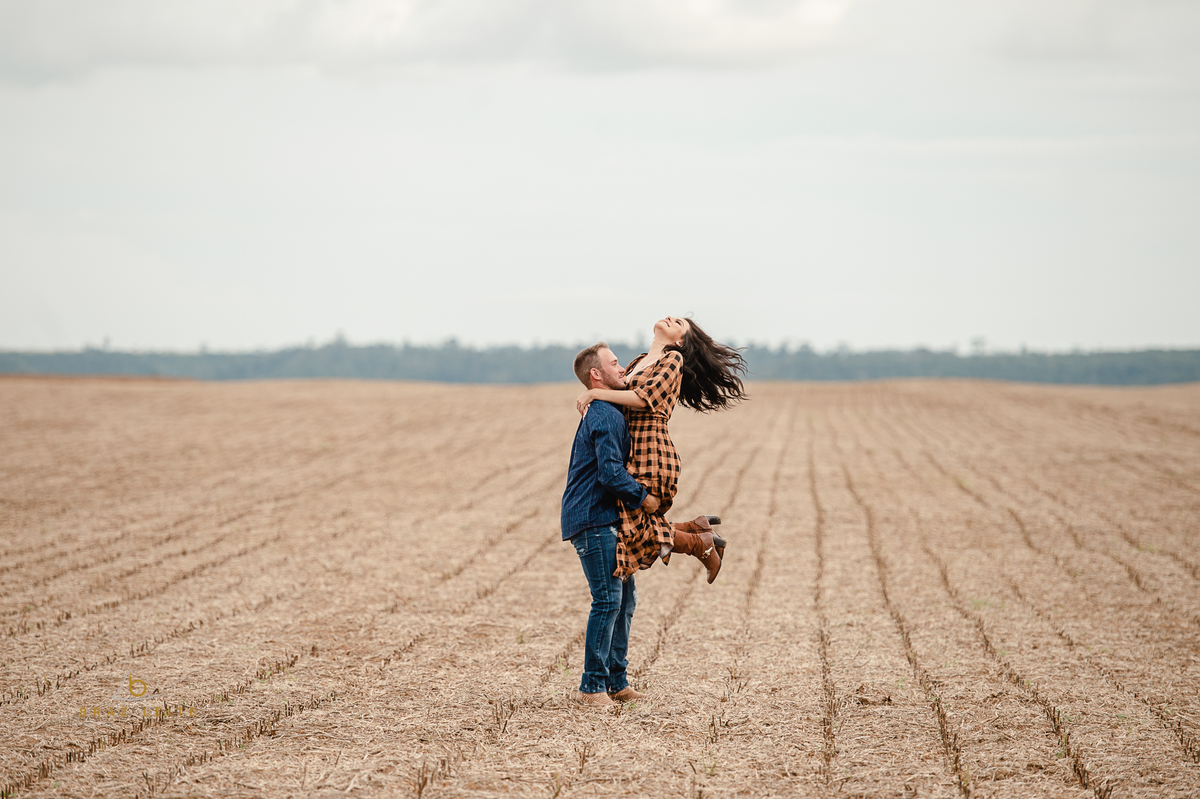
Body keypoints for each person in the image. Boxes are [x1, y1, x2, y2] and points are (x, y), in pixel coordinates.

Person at [576, 316, 747, 583]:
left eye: (679, 323)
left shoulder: (673, 360)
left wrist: (595, 394)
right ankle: (695, 531)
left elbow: (645, 399)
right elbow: (616, 391)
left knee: (633, 525)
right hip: (632, 452)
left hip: (652, 452)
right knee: (630, 524)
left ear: (680, 341)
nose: (670, 318)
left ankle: (699, 544)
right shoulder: (638, 361)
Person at [561, 342, 660, 707]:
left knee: (625, 599)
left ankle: (617, 682)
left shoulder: (609, 406)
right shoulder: (603, 412)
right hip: (592, 518)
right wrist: (643, 497)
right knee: (607, 601)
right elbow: (609, 472)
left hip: (606, 517)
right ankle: (591, 687)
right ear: (596, 375)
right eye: (615, 363)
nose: (622, 369)